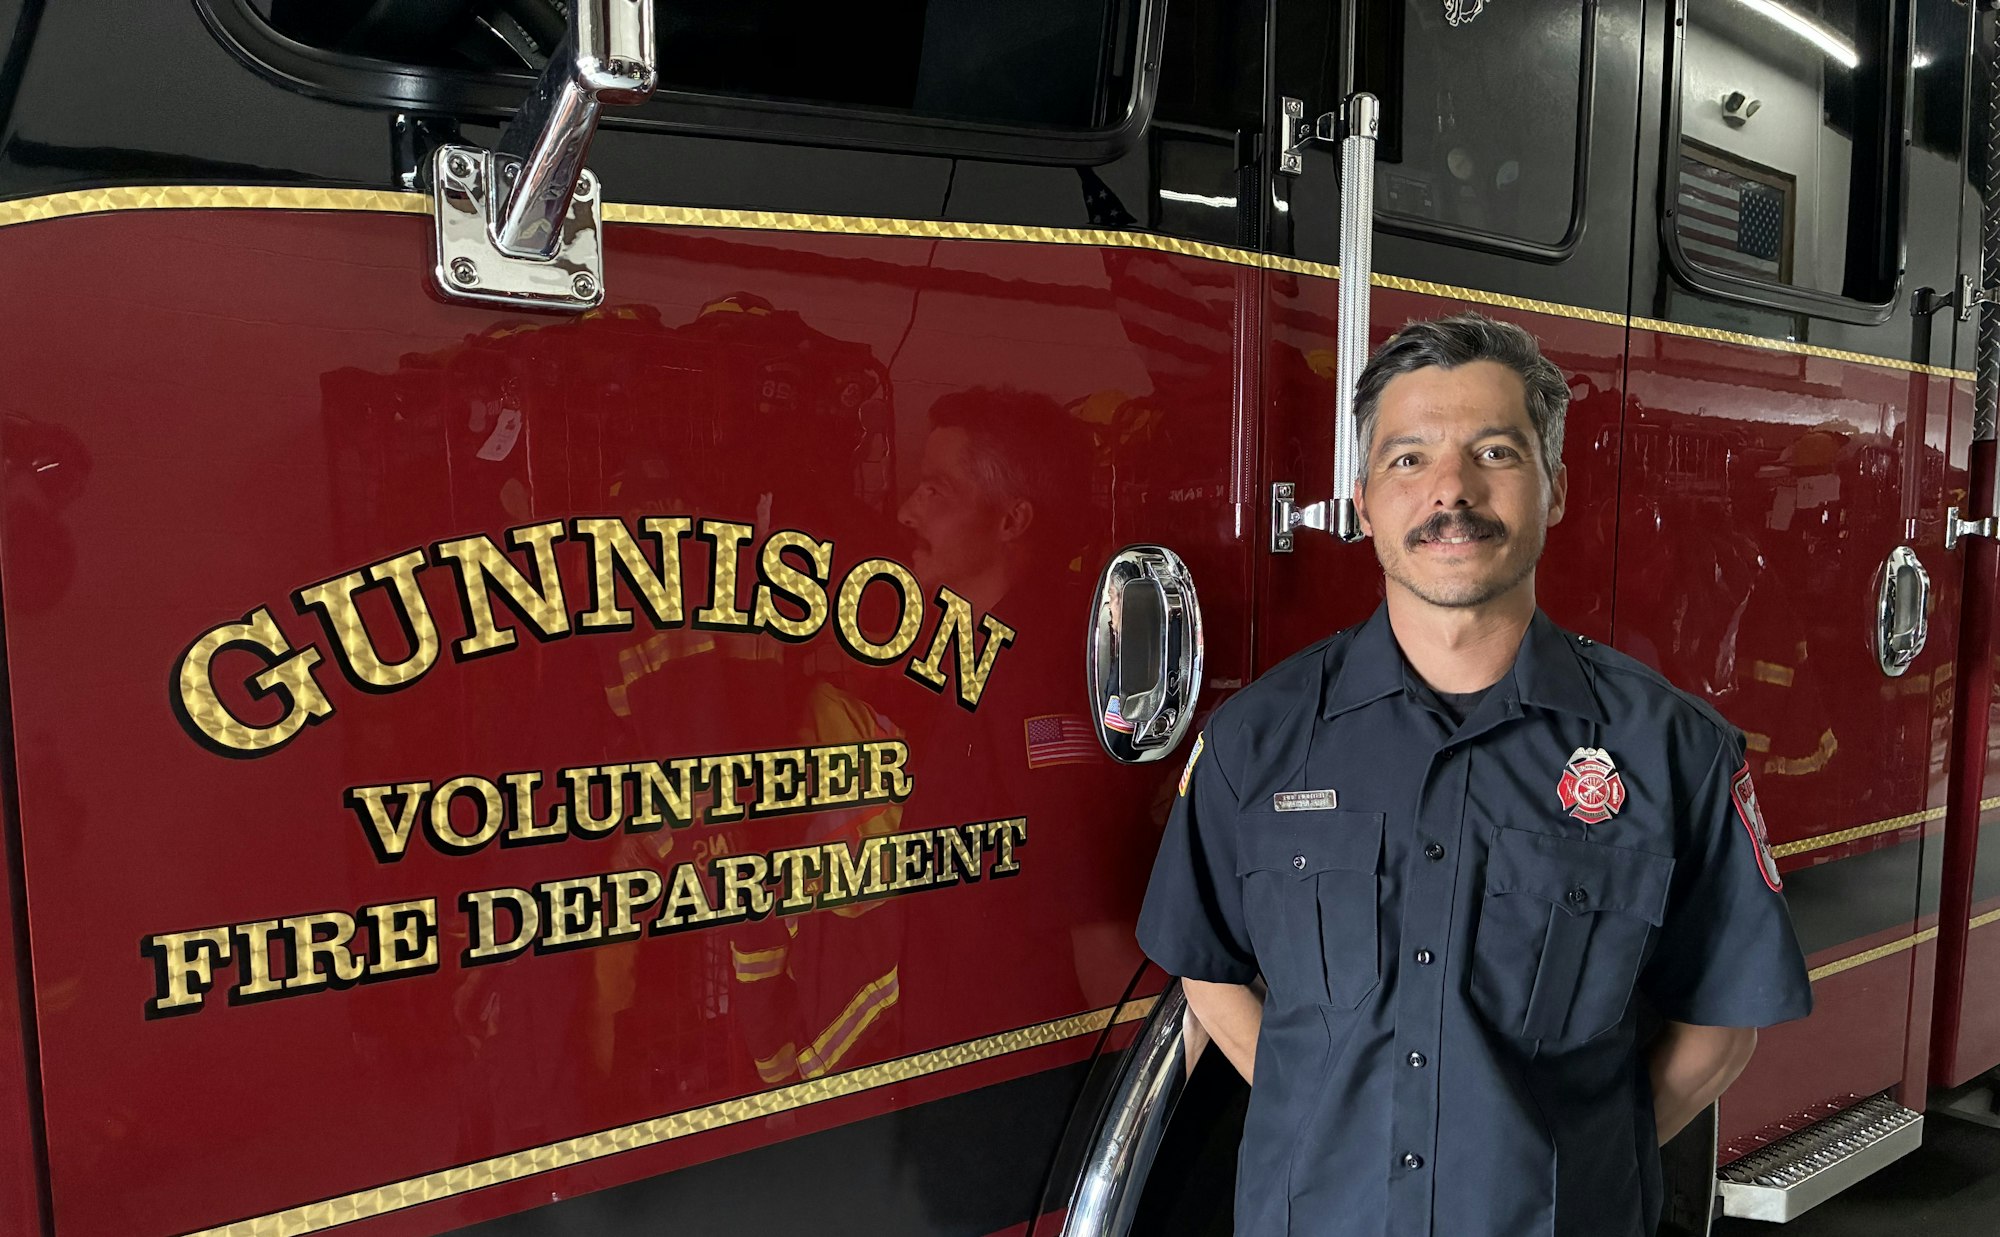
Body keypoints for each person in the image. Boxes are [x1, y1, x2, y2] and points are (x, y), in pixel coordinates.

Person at [1137, 312, 1811, 1237]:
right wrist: (1327, 1108)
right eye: (1408, 459)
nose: (1450, 491)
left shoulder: (1673, 751)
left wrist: (1573, 1155)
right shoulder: (1257, 741)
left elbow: (1718, 1030)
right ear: (1364, 499)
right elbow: (1207, 969)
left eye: (1494, 452)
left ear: (1555, 487)